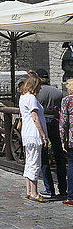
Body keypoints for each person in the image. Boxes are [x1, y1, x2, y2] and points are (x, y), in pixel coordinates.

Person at [35, 68, 67, 200]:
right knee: (59, 155)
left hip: (43, 123)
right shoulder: (57, 92)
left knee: (44, 157)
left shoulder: (37, 93)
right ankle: (63, 188)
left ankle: (49, 189)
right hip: (55, 122)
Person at [19, 75, 48, 202]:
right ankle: (34, 192)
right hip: (33, 133)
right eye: (39, 85)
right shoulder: (31, 98)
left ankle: (29, 190)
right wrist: (43, 135)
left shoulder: (23, 97)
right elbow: (35, 117)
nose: (41, 88)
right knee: (35, 163)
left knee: (29, 162)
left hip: (27, 133)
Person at [59, 78, 73, 206]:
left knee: (72, 165)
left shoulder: (67, 100)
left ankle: (71, 196)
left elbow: (63, 122)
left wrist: (62, 140)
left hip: (72, 139)